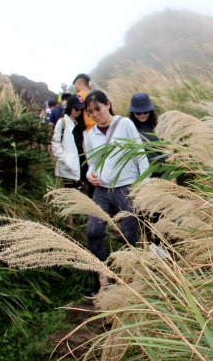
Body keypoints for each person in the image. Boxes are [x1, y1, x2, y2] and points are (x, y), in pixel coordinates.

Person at [83, 90, 149, 296]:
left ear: (108, 104)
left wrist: (144, 186)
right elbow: (92, 162)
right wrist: (89, 175)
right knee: (93, 232)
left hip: (125, 187)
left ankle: (130, 281)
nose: (95, 114)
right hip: (101, 190)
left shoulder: (124, 125)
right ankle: (103, 279)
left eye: (98, 108)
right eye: (90, 111)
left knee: (129, 235)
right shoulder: (90, 134)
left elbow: (140, 154)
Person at [51, 95, 88, 208]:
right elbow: (55, 143)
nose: (79, 111)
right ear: (70, 108)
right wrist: (65, 159)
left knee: (83, 194)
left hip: (82, 163)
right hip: (68, 166)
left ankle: (83, 220)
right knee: (69, 196)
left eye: (81, 109)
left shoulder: (80, 124)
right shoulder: (62, 122)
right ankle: (71, 223)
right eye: (76, 108)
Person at [128, 92, 160, 165]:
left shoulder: (159, 125)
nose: (142, 115)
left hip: (160, 169)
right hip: (140, 170)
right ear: (133, 113)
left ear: (150, 111)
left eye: (145, 112)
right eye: (138, 113)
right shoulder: (129, 128)